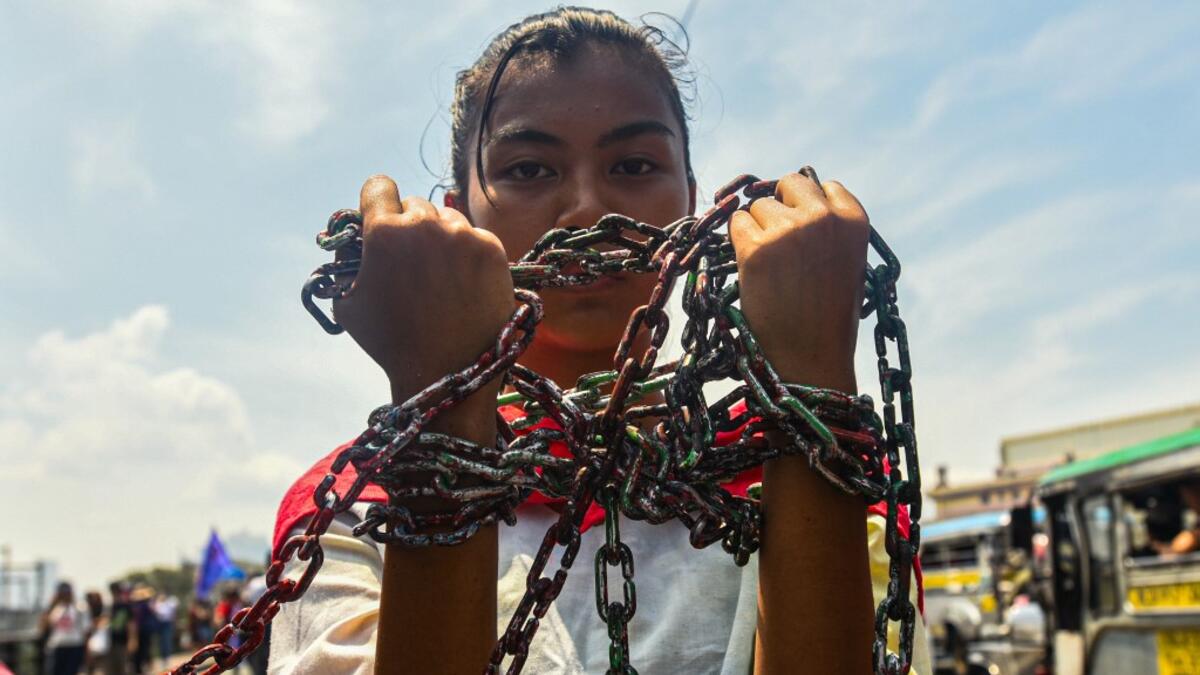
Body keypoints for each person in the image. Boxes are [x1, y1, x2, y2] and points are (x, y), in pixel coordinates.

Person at [268, 7, 930, 674]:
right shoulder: (353, 513)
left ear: (693, 206)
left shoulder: (812, 482)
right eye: (529, 169)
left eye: (635, 164)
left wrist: (813, 374)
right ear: (456, 217)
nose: (589, 207)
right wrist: (447, 409)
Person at [41, 581, 91, 675]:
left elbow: (86, 630)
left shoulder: (80, 607)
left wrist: (87, 651)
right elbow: (44, 627)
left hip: (74, 646)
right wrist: (50, 607)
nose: (64, 595)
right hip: (56, 646)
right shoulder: (54, 608)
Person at [106, 582, 136, 675]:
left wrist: (132, 640)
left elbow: (131, 624)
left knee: (123, 668)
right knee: (110, 669)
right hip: (108, 643)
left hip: (122, 642)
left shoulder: (125, 606)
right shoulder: (108, 606)